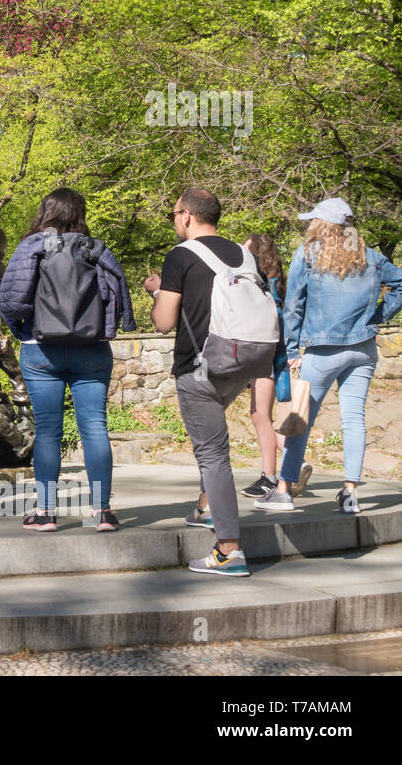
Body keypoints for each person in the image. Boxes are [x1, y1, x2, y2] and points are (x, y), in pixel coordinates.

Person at [0, 188, 136, 531]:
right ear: (80, 214)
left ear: (46, 212)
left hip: (41, 349)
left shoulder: (32, 246)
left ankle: (45, 512)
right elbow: (118, 296)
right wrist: (112, 328)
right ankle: (102, 512)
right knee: (95, 427)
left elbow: (10, 302)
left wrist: (25, 330)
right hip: (91, 349)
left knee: (47, 433)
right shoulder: (96, 248)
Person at [254, 198, 402, 514]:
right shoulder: (371, 257)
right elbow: (400, 285)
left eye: (313, 222)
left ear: (322, 225)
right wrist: (376, 317)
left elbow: (293, 305)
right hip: (362, 349)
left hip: (321, 352)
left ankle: (283, 490)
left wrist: (291, 348)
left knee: (300, 420)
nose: (309, 226)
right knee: (354, 419)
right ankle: (350, 493)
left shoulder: (307, 256)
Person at [145, 188, 252, 576]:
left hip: (199, 366)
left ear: (187, 215)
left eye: (174, 214)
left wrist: (157, 290)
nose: (174, 221)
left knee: (213, 455)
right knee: (213, 448)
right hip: (241, 365)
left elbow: (164, 321)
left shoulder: (181, 256)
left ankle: (229, 551)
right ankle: (206, 506)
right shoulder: (244, 253)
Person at [238, 234, 299, 499]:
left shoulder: (258, 285)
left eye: (245, 246)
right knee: (262, 414)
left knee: (260, 414)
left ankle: (273, 476)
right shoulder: (276, 284)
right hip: (275, 353)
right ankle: (290, 464)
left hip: (265, 353)